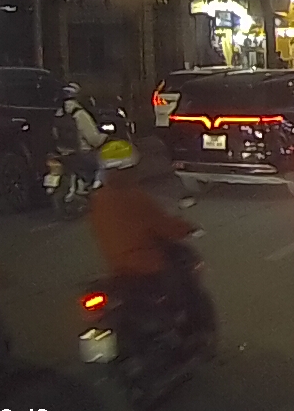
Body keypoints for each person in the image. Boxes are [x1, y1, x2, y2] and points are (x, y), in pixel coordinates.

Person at [89, 139, 215, 341]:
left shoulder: (99, 199)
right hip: (147, 265)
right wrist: (189, 228)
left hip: (117, 266)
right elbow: (163, 225)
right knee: (184, 283)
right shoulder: (133, 197)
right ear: (127, 169)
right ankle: (190, 332)